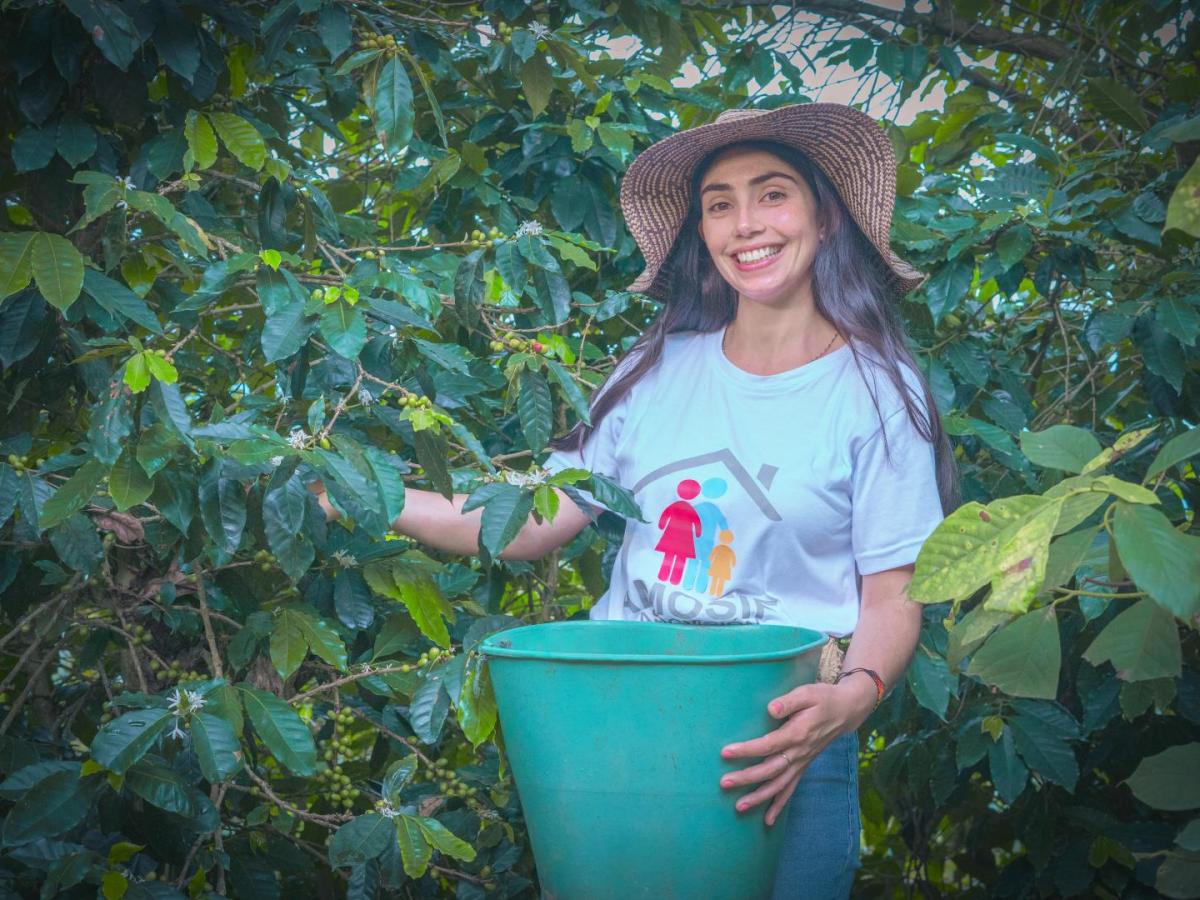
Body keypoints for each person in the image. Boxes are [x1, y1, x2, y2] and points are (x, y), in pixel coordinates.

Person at [309, 102, 960, 899]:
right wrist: (353, 493)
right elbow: (531, 521)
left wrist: (851, 701)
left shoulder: (875, 392)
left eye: (772, 194)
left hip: (783, 741)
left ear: (826, 216)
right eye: (719, 203)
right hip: (622, 730)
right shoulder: (652, 369)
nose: (745, 223)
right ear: (701, 232)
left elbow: (892, 595)